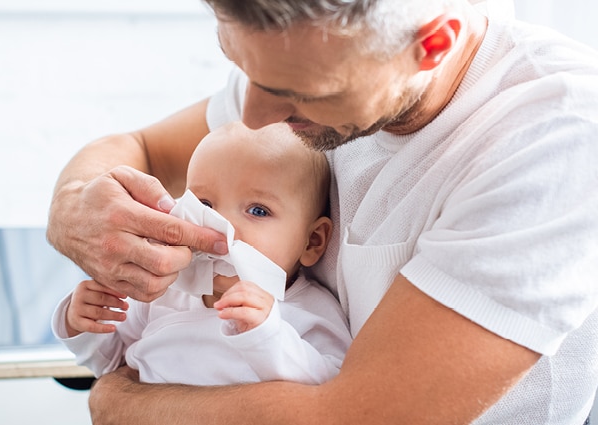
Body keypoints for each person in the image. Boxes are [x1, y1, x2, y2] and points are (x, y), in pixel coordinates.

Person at [46, 0, 598, 423]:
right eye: (240, 65)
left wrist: (121, 402)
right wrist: (73, 207)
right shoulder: (301, 55)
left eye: (299, 93)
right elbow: (139, 146)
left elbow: (347, 418)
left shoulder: (556, 139)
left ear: (431, 46)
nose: (256, 116)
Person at [52, 122, 351, 386]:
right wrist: (82, 324)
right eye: (204, 205)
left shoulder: (310, 311)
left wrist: (268, 337)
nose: (221, 226)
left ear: (311, 241)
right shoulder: (162, 290)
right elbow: (110, 364)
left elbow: (333, 387)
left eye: (258, 210)